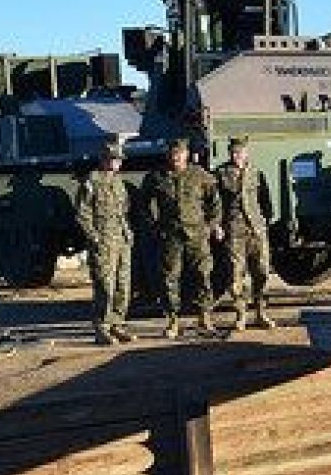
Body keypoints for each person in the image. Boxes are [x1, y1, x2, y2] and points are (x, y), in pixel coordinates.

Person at [142, 138, 221, 338]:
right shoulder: (156, 176)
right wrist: (154, 226)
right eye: (172, 152)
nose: (175, 156)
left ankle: (205, 316)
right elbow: (142, 204)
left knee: (203, 274)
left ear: (186, 154)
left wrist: (210, 226)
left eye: (179, 152)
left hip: (197, 234)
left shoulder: (199, 175)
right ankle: (173, 320)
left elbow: (215, 202)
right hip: (170, 235)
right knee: (170, 277)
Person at [73, 139, 135, 345]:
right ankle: (102, 327)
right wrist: (95, 237)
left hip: (121, 240)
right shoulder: (91, 181)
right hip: (103, 241)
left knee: (122, 284)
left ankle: (117, 323)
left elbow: (124, 210)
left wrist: (127, 234)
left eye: (118, 160)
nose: (115, 163)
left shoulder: (118, 183)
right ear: (103, 159)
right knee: (104, 285)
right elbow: (83, 213)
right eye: (111, 159)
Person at [213, 137, 276, 330]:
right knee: (235, 274)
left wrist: (264, 222)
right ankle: (240, 314)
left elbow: (265, 202)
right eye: (233, 153)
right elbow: (216, 204)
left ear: (247, 153)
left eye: (240, 152)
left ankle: (260, 312)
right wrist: (217, 225)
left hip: (256, 229)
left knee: (262, 272)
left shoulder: (256, 173)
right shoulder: (221, 174)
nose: (237, 156)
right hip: (234, 230)